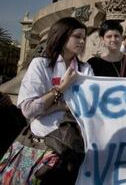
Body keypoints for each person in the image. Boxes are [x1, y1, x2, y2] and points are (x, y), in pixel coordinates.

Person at [0, 17, 93, 184]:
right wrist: (61, 89)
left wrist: (54, 106)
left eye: (84, 38)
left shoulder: (85, 69)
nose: (82, 41)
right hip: (44, 144)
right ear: (62, 36)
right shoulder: (40, 65)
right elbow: (28, 110)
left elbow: (89, 106)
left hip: (75, 145)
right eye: (77, 36)